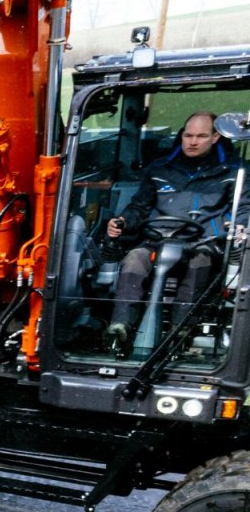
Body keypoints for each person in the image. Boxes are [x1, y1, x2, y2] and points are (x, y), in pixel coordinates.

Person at [103, 111, 247, 355]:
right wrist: (123, 221)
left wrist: (237, 226)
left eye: (201, 136)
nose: (192, 141)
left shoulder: (236, 171)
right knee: (134, 259)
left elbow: (242, 208)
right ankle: (120, 326)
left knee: (198, 260)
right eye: (188, 135)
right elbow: (140, 206)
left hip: (204, 241)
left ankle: (181, 331)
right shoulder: (160, 168)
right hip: (158, 239)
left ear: (215, 137)